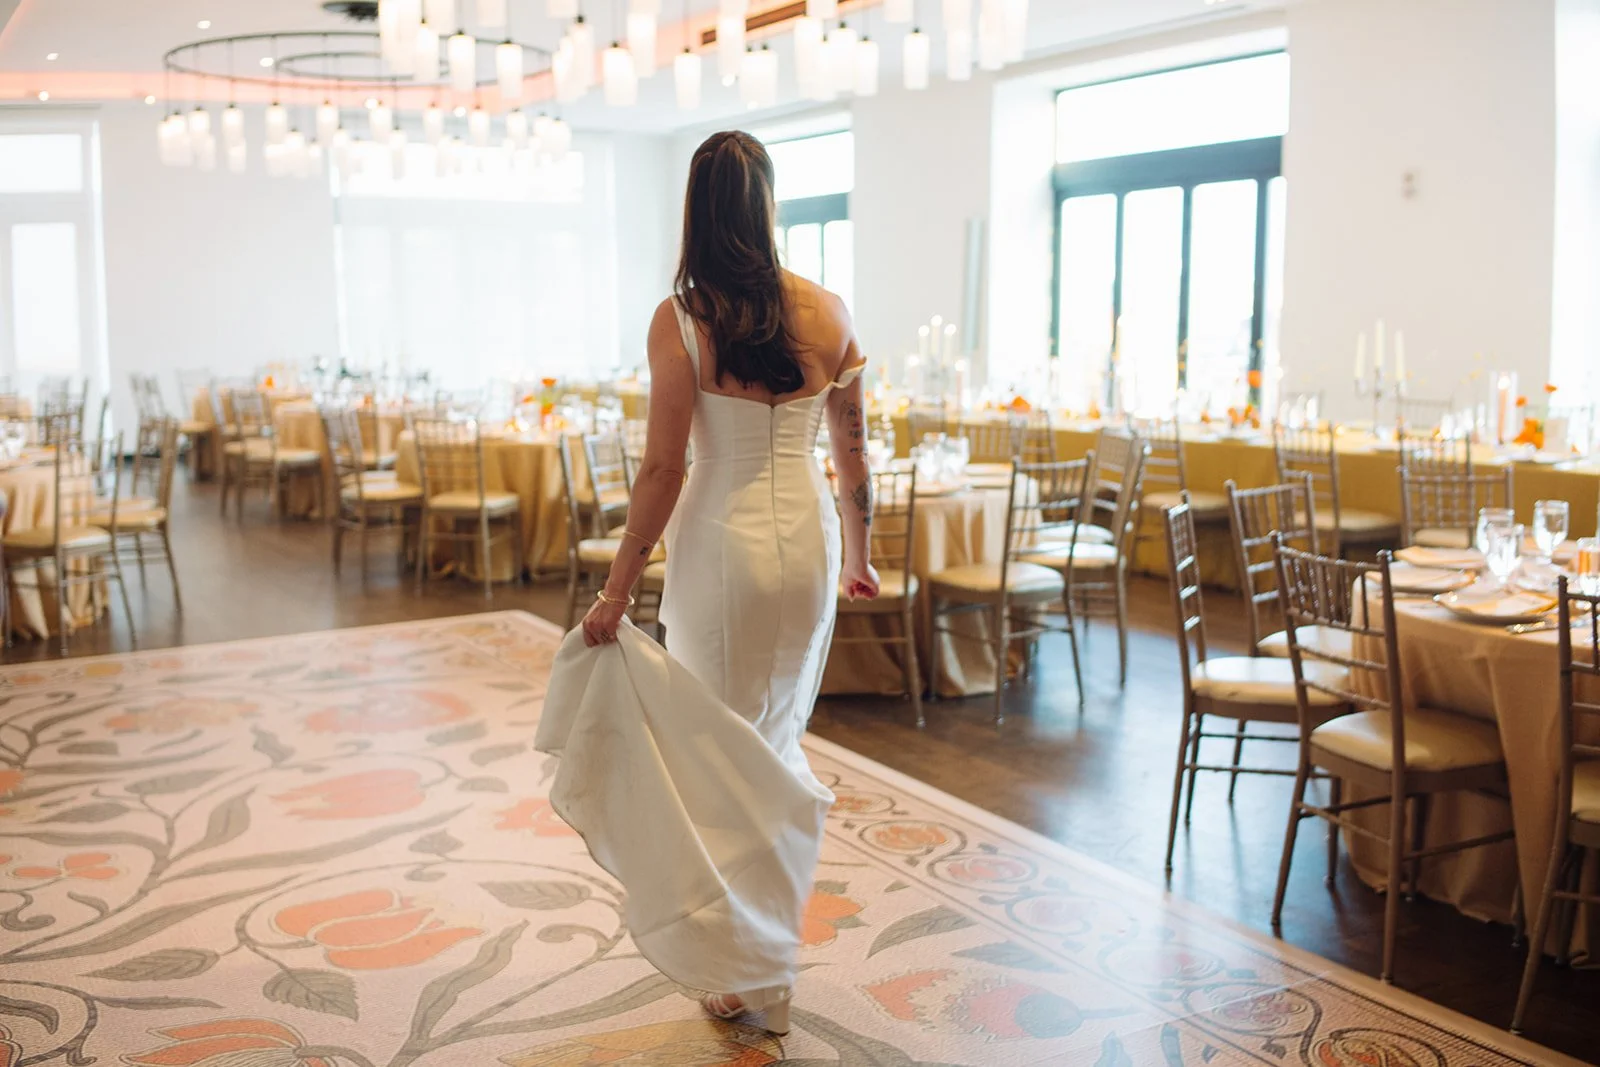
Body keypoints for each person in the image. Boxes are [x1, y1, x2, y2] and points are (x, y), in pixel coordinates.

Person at [536, 130, 877, 1037]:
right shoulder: (832, 312)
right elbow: (852, 457)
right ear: (768, 204)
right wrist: (860, 551)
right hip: (803, 544)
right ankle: (758, 958)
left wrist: (615, 590)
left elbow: (662, 471)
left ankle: (752, 965)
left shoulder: (682, 317)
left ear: (697, 210)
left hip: (720, 550)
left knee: (718, 756)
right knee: (771, 742)